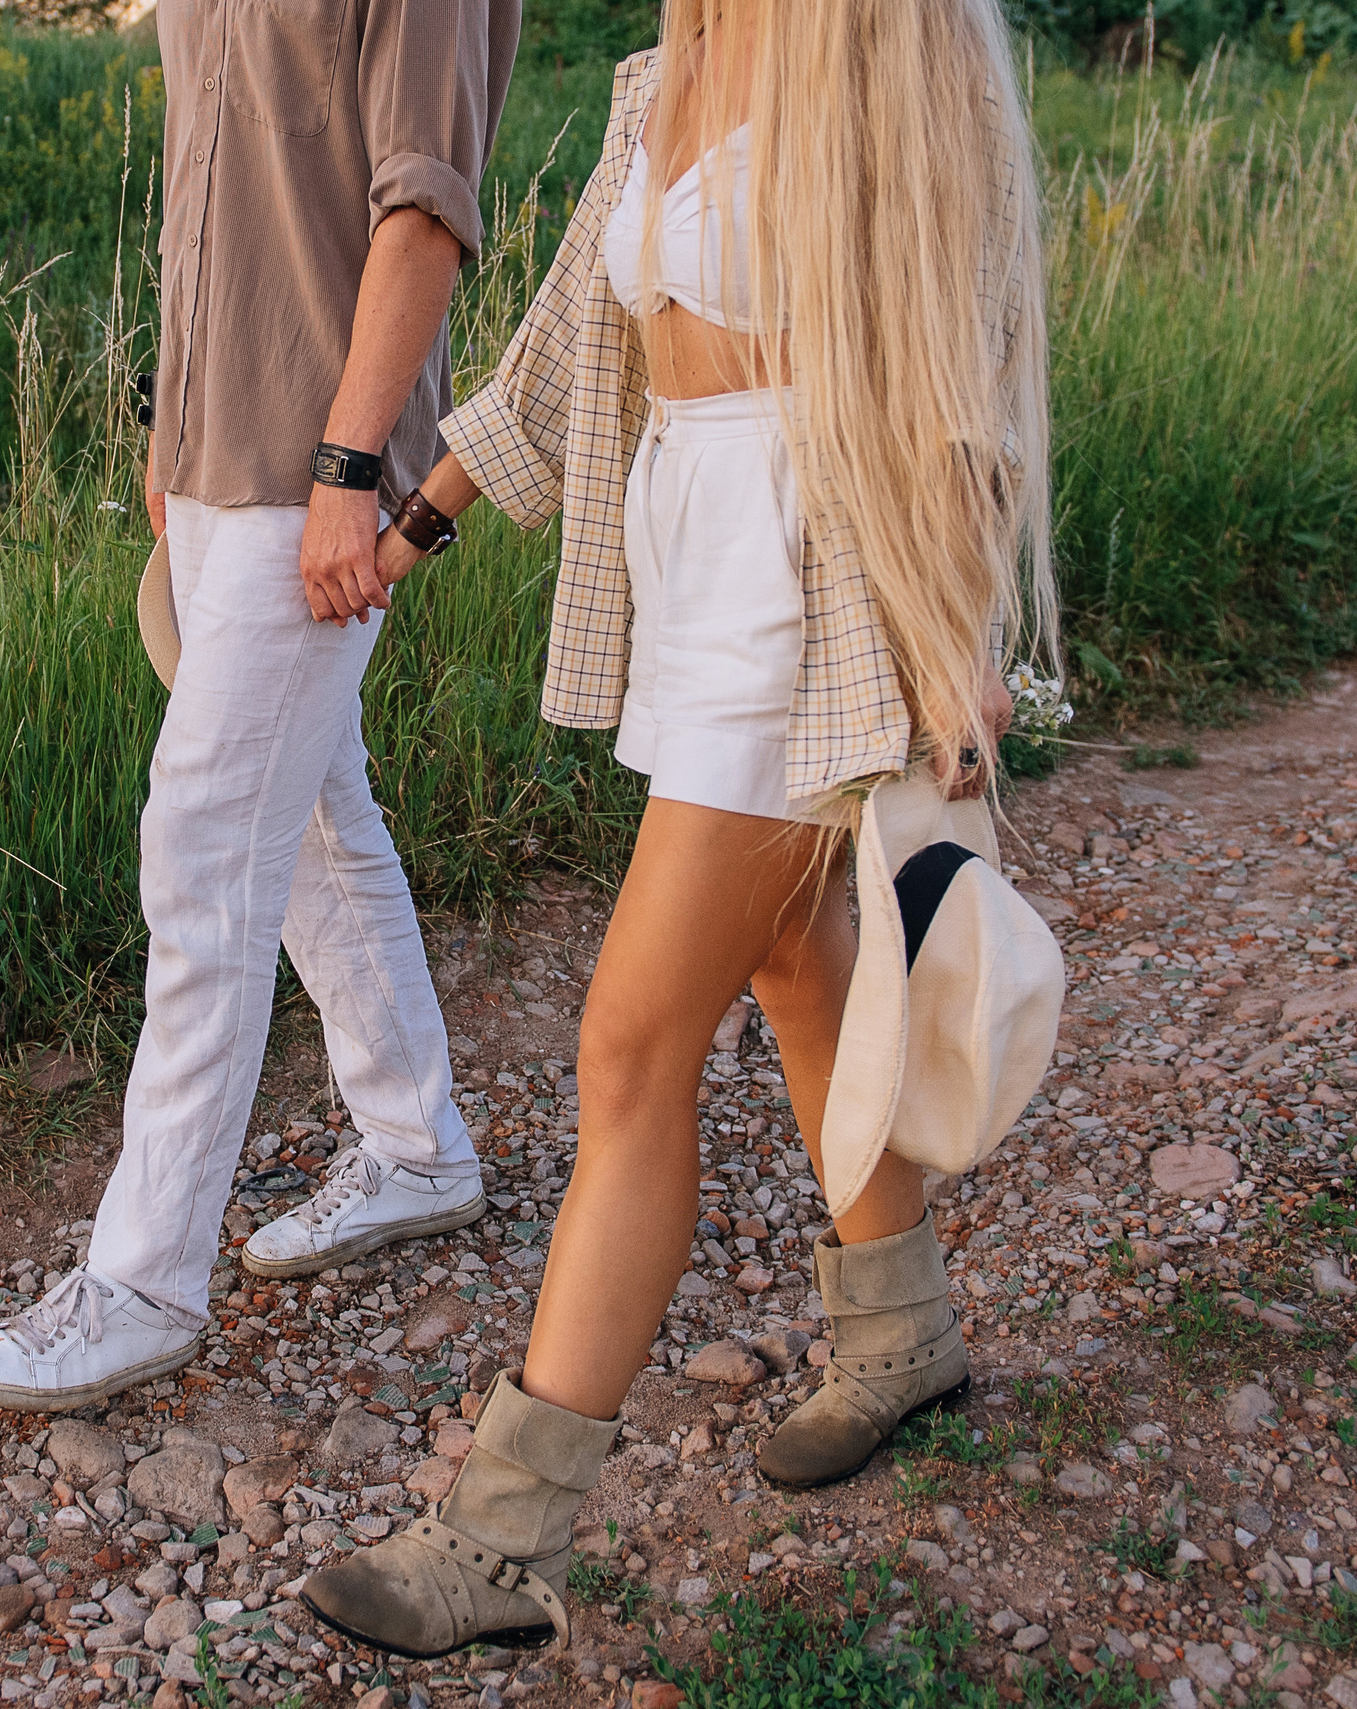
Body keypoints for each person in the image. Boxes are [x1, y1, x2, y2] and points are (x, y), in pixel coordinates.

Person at [295, 0, 1054, 1659]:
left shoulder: (887, 44)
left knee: (631, 1044)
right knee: (795, 958)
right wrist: (398, 537)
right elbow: (561, 351)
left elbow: (962, 349)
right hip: (690, 561)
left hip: (816, 579)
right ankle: (902, 1330)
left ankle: (498, 1534)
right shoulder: (667, 64)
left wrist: (966, 636)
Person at [0, 0, 524, 1414]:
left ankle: (143, 1279)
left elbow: (424, 212)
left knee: (204, 848)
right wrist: (169, 418)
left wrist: (348, 464)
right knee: (317, 808)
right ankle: (416, 1142)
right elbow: (211, 182)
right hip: (216, 444)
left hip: (311, 460)